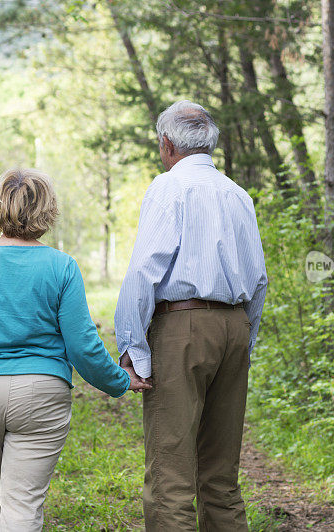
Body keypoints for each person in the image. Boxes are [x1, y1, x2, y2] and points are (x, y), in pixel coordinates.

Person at [0, 168, 151, 532]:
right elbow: (82, 347)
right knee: (21, 506)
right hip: (40, 393)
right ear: (47, 210)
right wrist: (119, 380)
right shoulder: (61, 267)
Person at [115, 100, 268, 531]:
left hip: (182, 329)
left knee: (171, 474)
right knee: (221, 475)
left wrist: (132, 349)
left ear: (167, 144)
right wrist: (243, 342)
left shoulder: (168, 187)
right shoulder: (238, 195)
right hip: (235, 327)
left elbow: (145, 271)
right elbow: (258, 280)